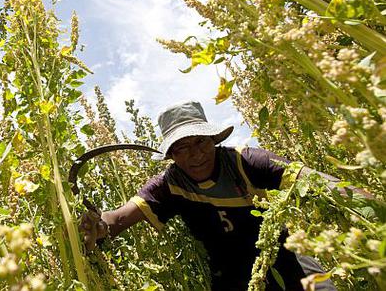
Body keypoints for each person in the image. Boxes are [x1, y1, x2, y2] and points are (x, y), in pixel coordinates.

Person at [80, 101, 336, 291]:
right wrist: (98, 226)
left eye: (201, 142)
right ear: (171, 155)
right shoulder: (169, 185)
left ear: (213, 139)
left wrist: (368, 205)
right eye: (182, 148)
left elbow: (317, 182)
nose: (196, 154)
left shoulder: (246, 161)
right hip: (232, 276)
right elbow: (118, 218)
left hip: (287, 258)